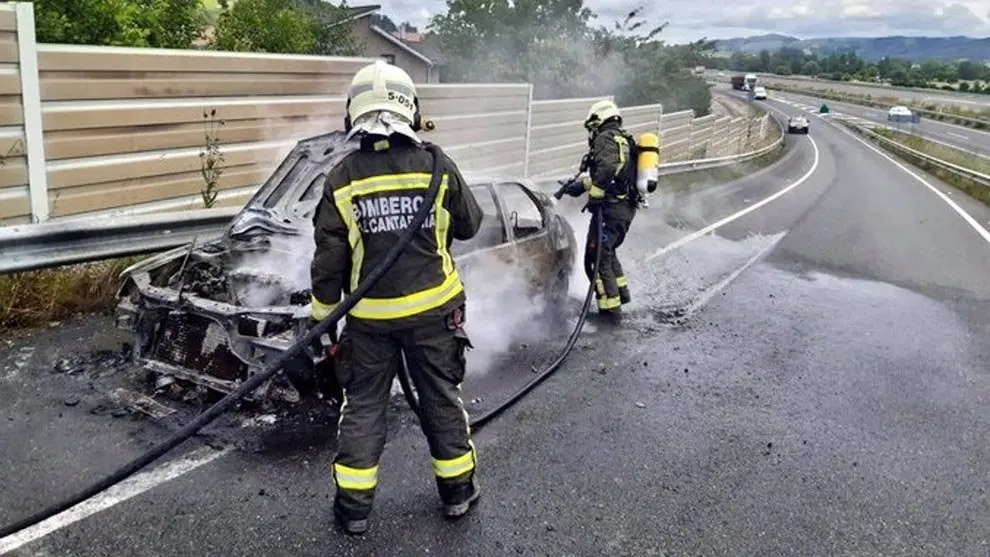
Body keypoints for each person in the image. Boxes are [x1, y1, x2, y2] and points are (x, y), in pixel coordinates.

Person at [308, 60, 485, 536]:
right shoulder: (437, 165)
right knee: (440, 398)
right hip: (434, 312)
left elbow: (329, 262)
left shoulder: (342, 178)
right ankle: (457, 493)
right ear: (412, 110)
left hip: (369, 322)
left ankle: (353, 509)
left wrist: (321, 320)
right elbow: (470, 225)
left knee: (364, 405)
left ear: (353, 114)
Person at [554, 99, 638, 325]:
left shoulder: (605, 138)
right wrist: (578, 187)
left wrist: (596, 196)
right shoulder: (623, 140)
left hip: (611, 210)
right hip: (624, 208)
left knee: (596, 258)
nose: (592, 132)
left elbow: (607, 169)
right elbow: (614, 177)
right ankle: (621, 294)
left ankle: (610, 312)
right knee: (608, 252)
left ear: (600, 119)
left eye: (593, 126)